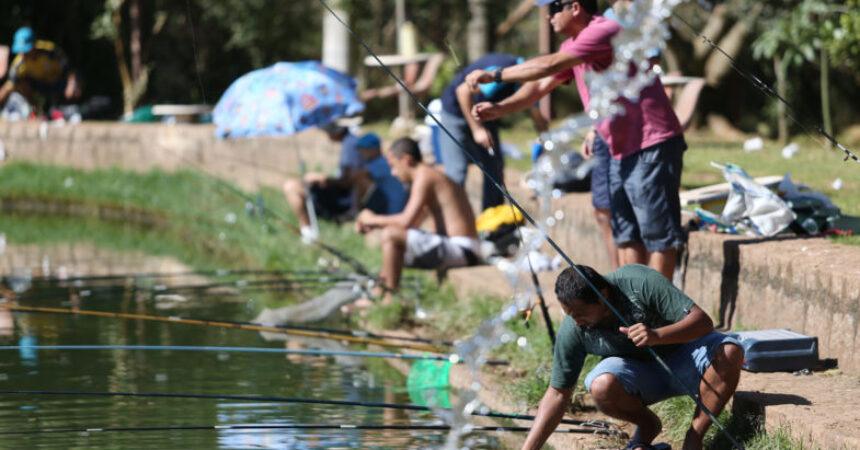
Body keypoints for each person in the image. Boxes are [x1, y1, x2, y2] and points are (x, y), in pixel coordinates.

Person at [465, 0, 686, 280]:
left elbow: (548, 65)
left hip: (650, 143)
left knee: (658, 235)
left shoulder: (602, 31)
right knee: (627, 233)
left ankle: (660, 310)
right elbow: (540, 86)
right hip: (620, 148)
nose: (548, 15)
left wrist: (496, 75)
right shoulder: (574, 45)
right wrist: (500, 108)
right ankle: (637, 306)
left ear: (576, 7)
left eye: (554, 8)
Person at [522, 264, 743, 450]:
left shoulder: (638, 282)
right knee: (601, 385)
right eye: (569, 314)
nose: (576, 321)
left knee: (730, 351)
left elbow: (703, 322)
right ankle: (647, 426)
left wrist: (656, 336)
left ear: (602, 296)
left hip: (684, 356)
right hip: (639, 375)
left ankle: (693, 438)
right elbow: (558, 393)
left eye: (580, 314)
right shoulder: (574, 327)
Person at [352, 137, 480, 305]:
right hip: (457, 248)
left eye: (393, 166)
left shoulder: (425, 176)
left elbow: (406, 221)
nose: (393, 173)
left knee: (390, 235)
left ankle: (390, 299)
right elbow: (413, 224)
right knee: (393, 240)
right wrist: (373, 223)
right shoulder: (427, 176)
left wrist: (371, 218)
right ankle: (378, 291)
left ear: (406, 160)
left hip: (463, 249)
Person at [439, 53, 548, 212]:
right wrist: (477, 130)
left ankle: (491, 223)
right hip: (455, 114)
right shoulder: (505, 72)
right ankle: (452, 226)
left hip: (484, 114)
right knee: (457, 171)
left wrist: (548, 144)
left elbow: (538, 118)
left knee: (495, 168)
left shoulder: (530, 84)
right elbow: (462, 92)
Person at [283, 122, 363, 243]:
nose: (327, 136)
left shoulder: (349, 145)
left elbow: (347, 182)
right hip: (341, 195)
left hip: (343, 200)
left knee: (291, 187)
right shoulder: (351, 141)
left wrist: (321, 178)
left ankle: (307, 231)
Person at [0, 27, 81, 118]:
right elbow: (9, 86)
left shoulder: (50, 51)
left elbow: (70, 70)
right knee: (21, 83)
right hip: (40, 88)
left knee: (76, 80)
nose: (24, 53)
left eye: (26, 50)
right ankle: (35, 110)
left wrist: (72, 84)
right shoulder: (19, 63)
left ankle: (76, 111)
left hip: (59, 83)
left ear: (34, 44)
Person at [352, 133, 408, 217]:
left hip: (393, 209)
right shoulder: (383, 161)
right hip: (399, 207)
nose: (361, 154)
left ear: (374, 150)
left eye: (364, 150)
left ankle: (354, 210)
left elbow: (355, 177)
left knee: (361, 180)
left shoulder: (378, 162)